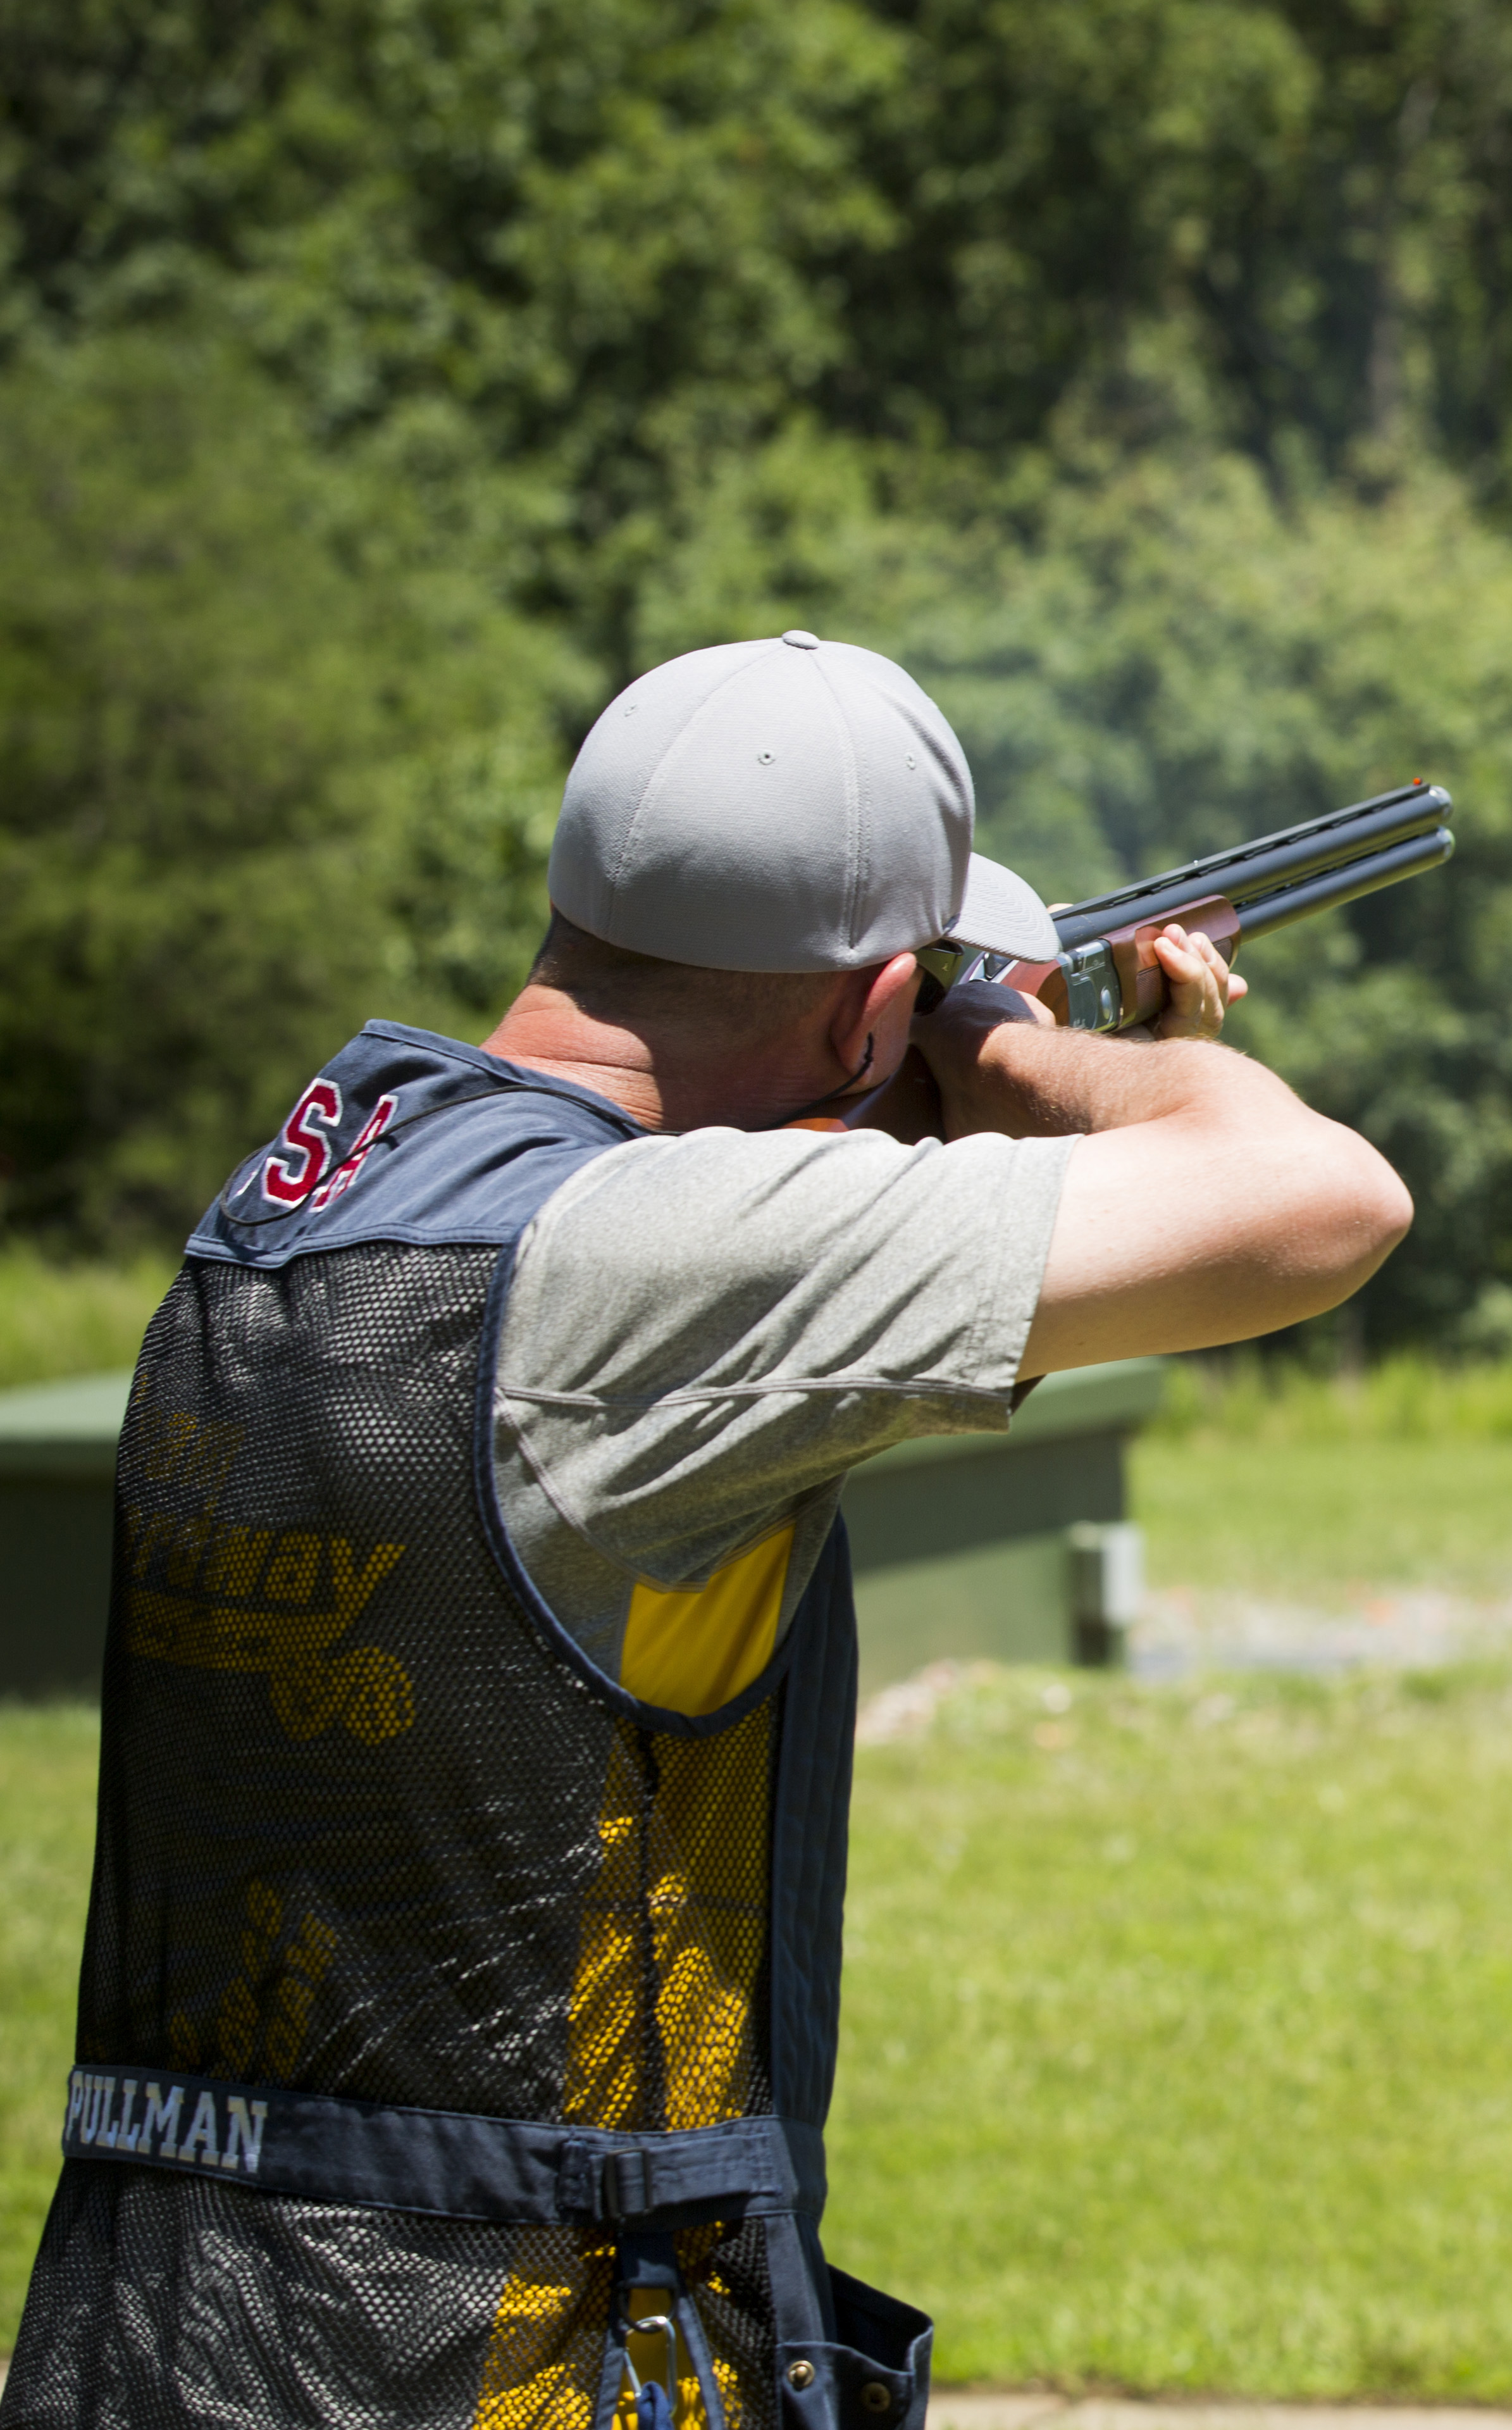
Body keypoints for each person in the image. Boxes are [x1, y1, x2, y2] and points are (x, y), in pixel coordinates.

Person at [0, 632, 1411, 2429]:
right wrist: (1016, 1058)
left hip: (157, 2340)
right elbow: (1322, 1200)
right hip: (498, 2365)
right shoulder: (647, 1264)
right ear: (872, 1009)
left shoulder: (325, 1191)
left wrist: (929, 1052)